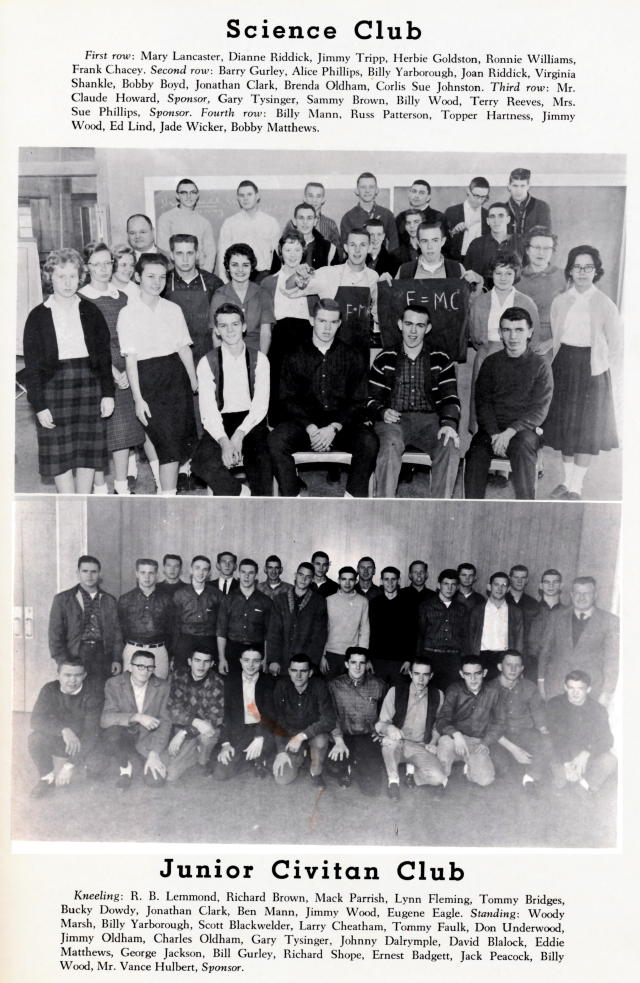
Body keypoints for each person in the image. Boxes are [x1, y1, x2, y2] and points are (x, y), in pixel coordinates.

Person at [22, 247, 115, 493]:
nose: (67, 282)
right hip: (54, 388)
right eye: (61, 276)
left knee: (88, 450)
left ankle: (83, 500)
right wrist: (39, 405)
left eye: (72, 276)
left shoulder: (91, 311)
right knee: (58, 452)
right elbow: (32, 367)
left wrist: (108, 393)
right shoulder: (37, 316)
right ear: (49, 278)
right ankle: (68, 502)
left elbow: (104, 357)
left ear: (81, 277)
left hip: (89, 385)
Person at [269, 299, 378, 498]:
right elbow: (286, 399)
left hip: (340, 426)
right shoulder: (294, 354)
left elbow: (358, 401)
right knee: (276, 439)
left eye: (333, 322)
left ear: (339, 323)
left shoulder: (352, 355)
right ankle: (293, 499)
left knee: (369, 441)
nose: (327, 328)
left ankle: (353, 501)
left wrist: (334, 427)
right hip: (305, 426)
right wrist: (310, 427)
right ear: (312, 320)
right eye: (322, 321)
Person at [116, 253, 197, 495]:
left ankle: (166, 493)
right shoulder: (128, 313)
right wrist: (138, 399)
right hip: (147, 379)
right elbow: (131, 359)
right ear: (138, 277)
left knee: (173, 443)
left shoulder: (173, 309)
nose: (157, 282)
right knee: (166, 443)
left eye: (162, 277)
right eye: (150, 276)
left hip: (176, 377)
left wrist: (193, 381)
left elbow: (184, 348)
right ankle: (169, 498)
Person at [544, 245, 621, 501]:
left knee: (586, 429)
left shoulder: (605, 304)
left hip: (592, 371)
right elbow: (557, 335)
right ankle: (566, 482)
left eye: (588, 267)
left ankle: (577, 487)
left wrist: (599, 366)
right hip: (564, 366)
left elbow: (615, 345)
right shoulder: (560, 301)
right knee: (566, 426)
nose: (582, 272)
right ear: (570, 270)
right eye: (577, 267)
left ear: (596, 271)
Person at [367, 303, 461, 498]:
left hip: (430, 421)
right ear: (400, 324)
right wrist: (382, 411)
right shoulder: (384, 358)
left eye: (420, 325)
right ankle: (384, 508)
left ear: (428, 328)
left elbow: (450, 397)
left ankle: (440, 509)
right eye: (409, 324)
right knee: (390, 446)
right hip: (394, 422)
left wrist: (449, 424)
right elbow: (369, 398)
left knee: (450, 445)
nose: (413, 331)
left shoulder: (440, 358)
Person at [464, 306, 553, 500]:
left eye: (519, 330)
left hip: (524, 431)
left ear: (530, 332)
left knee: (522, 449)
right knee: (475, 454)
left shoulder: (540, 365)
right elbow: (483, 403)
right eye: (507, 330)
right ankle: (471, 509)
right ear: (500, 333)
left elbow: (539, 410)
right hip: (493, 430)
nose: (513, 336)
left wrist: (510, 432)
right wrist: (495, 433)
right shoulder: (490, 363)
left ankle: (525, 510)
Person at [80, 241, 145, 496]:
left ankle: (121, 484)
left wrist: (128, 369)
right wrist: (112, 373)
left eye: (108, 262)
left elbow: (132, 336)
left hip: (125, 366)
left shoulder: (123, 297)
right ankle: (99, 486)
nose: (104, 269)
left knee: (123, 429)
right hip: (96, 369)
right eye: (97, 264)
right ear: (87, 267)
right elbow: (89, 344)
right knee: (100, 431)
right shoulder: (82, 299)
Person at [191, 303, 272, 497]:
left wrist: (239, 434)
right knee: (201, 462)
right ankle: (240, 493)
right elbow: (208, 410)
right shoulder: (207, 362)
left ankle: (261, 507)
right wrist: (224, 441)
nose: (230, 330)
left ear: (244, 326)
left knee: (261, 461)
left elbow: (260, 406)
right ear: (217, 331)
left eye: (235, 324)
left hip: (251, 421)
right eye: (223, 326)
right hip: (220, 420)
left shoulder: (260, 359)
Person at [467, 252, 540, 431]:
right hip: (486, 356)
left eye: (508, 273)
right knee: (484, 406)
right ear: (491, 274)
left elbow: (534, 339)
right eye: (498, 273)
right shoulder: (480, 302)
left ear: (516, 274)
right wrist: (489, 349)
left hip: (516, 358)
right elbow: (475, 337)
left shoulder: (526, 302)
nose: (503, 278)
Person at [280, 229, 381, 356]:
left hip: (361, 351)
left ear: (370, 248)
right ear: (346, 247)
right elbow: (288, 290)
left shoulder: (373, 277)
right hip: (331, 352)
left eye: (362, 245)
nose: (357, 250)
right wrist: (298, 275)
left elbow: (378, 313)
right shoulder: (328, 274)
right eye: (352, 245)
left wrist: (387, 287)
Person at [28, 658, 105, 798]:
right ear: (58, 674)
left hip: (84, 741)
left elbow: (91, 733)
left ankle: (81, 763)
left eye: (78, 675)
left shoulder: (93, 694)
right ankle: (47, 777)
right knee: (35, 739)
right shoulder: (49, 689)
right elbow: (36, 720)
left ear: (85, 675)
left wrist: (69, 765)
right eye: (67, 675)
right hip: (61, 739)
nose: (72, 680)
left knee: (97, 766)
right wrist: (64, 730)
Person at [538, 576, 619, 705]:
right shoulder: (556, 616)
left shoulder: (610, 621)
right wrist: (541, 681)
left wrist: (607, 692)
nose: (581, 597)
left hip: (590, 689)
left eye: (587, 593)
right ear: (571, 595)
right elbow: (545, 650)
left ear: (595, 595)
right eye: (577, 593)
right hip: (556, 686)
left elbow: (612, 660)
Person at [261, 231, 314, 422]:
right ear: (280, 252)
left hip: (306, 340)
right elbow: (266, 323)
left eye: (297, 250)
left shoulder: (313, 278)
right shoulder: (268, 282)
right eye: (288, 250)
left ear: (304, 251)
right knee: (278, 386)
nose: (292, 255)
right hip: (280, 340)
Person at [375, 658, 447, 799]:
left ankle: (412, 773)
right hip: (399, 743)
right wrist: (389, 729)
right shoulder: (395, 691)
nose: (420, 679)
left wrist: (433, 743)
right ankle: (393, 781)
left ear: (431, 676)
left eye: (425, 675)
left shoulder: (438, 695)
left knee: (438, 778)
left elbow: (438, 725)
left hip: (421, 745)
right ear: (410, 674)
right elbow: (381, 723)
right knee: (388, 743)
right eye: (417, 674)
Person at [100, 650, 171, 789]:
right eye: (140, 666)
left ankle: (139, 757)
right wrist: (137, 717)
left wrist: (154, 753)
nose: (145, 671)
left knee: (155, 781)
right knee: (99, 758)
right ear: (130, 666)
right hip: (123, 734)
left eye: (150, 667)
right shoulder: (113, 683)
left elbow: (166, 721)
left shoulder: (163, 686)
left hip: (147, 737)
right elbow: (105, 719)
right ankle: (125, 766)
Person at [49, 555, 122, 682]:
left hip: (103, 656)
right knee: (77, 690)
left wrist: (116, 659)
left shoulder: (109, 600)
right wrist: (63, 661)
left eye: (94, 571)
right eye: (85, 571)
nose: (89, 575)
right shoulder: (63, 599)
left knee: (101, 690)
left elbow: (117, 633)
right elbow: (55, 634)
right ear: (78, 573)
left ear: (99, 574)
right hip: (75, 654)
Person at [488, 651, 552, 792]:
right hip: (500, 738)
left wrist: (543, 731)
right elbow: (486, 725)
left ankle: (530, 777)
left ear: (522, 668)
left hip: (524, 733)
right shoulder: (488, 689)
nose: (513, 669)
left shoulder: (529, 687)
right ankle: (513, 763)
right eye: (508, 665)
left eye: (517, 666)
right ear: (500, 667)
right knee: (501, 767)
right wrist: (514, 750)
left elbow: (539, 713)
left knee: (547, 742)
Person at [435, 655, 503, 787]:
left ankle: (468, 765)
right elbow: (442, 720)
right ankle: (444, 774)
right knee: (445, 743)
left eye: (477, 674)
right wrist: (456, 734)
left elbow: (500, 722)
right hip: (455, 739)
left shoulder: (493, 692)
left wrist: (486, 741)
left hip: (477, 742)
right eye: (468, 674)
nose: (473, 679)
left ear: (484, 673)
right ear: (461, 674)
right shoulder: (454, 690)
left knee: (486, 780)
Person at [546, 670, 617, 795]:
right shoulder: (554, 704)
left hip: (585, 754)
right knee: (559, 782)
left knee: (610, 760)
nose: (575, 693)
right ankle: (563, 781)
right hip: (561, 752)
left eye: (580, 689)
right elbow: (555, 737)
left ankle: (584, 785)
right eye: (571, 688)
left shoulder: (598, 709)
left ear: (588, 689)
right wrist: (567, 763)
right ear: (565, 687)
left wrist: (586, 753)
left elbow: (607, 739)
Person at [327, 647, 386, 794]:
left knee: (371, 789)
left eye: (362, 663)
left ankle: (357, 762)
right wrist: (338, 739)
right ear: (347, 664)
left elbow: (387, 711)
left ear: (367, 664)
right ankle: (347, 765)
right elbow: (330, 714)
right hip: (343, 735)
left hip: (367, 735)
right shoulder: (334, 685)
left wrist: (382, 731)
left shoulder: (378, 685)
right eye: (353, 662)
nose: (358, 667)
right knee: (334, 767)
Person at [272, 654, 335, 787]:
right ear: (289, 671)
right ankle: (303, 756)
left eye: (303, 671)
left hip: (313, 734)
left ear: (310, 673)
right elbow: (278, 720)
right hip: (291, 735)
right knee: (282, 779)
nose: (298, 675)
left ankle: (315, 771)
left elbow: (329, 719)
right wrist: (281, 751)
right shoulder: (282, 685)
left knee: (320, 741)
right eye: (294, 671)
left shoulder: (319, 685)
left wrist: (301, 736)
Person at [214, 648, 276, 780]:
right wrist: (225, 744)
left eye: (256, 661)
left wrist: (259, 736)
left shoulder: (269, 681)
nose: (251, 665)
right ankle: (253, 761)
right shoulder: (231, 681)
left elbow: (270, 713)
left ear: (261, 663)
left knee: (270, 748)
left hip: (262, 728)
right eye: (246, 660)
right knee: (221, 774)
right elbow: (225, 714)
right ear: (241, 661)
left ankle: (261, 756)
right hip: (240, 731)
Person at [165, 649, 224, 781]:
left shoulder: (217, 682)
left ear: (212, 664)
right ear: (189, 661)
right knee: (171, 775)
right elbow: (173, 708)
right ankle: (192, 752)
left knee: (207, 737)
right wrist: (194, 723)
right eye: (197, 660)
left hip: (205, 730)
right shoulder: (178, 676)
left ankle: (203, 759)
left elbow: (215, 718)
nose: (201, 666)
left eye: (206, 662)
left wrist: (184, 733)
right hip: (184, 726)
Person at [164, 233, 223, 365]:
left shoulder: (213, 283)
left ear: (197, 254)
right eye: (179, 253)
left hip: (207, 353)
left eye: (190, 253)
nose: (185, 259)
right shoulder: (163, 282)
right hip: (173, 356)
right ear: (171, 255)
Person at [210, 243, 275, 354]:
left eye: (245, 265)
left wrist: (261, 360)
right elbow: (216, 335)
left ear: (251, 267)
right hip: (228, 354)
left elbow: (265, 333)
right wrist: (221, 360)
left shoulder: (263, 294)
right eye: (235, 265)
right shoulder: (219, 295)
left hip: (256, 353)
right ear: (228, 267)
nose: (240, 270)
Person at [117, 558, 175, 678]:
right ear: (136, 574)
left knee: (159, 686)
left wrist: (171, 654)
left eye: (151, 573)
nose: (147, 577)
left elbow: (172, 629)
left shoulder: (167, 599)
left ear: (156, 575)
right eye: (143, 572)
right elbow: (120, 630)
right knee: (130, 686)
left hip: (158, 650)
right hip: (133, 649)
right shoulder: (125, 599)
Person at [266, 562, 328, 674]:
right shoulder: (280, 599)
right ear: (295, 575)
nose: (303, 579)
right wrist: (273, 660)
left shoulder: (318, 602)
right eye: (301, 575)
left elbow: (318, 637)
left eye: (308, 577)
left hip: (305, 662)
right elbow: (274, 632)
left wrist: (310, 664)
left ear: (312, 579)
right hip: (281, 661)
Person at [216, 558, 272, 673]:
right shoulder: (228, 599)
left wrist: (266, 658)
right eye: (243, 572)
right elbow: (221, 632)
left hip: (257, 650)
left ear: (256, 575)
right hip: (233, 650)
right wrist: (222, 658)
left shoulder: (265, 601)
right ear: (238, 574)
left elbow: (269, 634)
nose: (246, 576)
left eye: (250, 573)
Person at [516, 227, 565, 359]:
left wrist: (551, 343)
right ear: (527, 250)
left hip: (555, 344)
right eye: (536, 247)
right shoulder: (515, 278)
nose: (541, 252)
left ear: (552, 251)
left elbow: (574, 318)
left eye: (547, 248)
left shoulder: (564, 277)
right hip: (520, 343)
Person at [416, 569, 469, 691]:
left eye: (453, 584)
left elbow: (465, 636)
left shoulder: (462, 609)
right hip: (430, 656)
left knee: (451, 691)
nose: (449, 588)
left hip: (453, 659)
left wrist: (463, 660)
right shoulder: (426, 606)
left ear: (457, 587)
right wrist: (418, 659)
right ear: (438, 585)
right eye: (446, 584)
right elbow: (420, 634)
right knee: (430, 692)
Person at [216, 180, 280, 280]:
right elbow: (222, 255)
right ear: (238, 198)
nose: (245, 198)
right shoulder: (229, 223)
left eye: (249, 194)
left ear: (257, 196)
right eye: (242, 195)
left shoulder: (271, 222)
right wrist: (224, 281)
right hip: (238, 275)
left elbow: (279, 255)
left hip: (264, 276)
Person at [467, 571, 524, 678]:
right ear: (489, 587)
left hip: (505, 658)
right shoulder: (477, 610)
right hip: (482, 657)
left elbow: (519, 641)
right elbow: (470, 637)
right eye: (496, 584)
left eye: (504, 585)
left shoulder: (515, 612)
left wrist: (517, 662)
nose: (500, 588)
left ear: (508, 589)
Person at [172, 555, 222, 670]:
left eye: (205, 569)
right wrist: (173, 652)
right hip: (185, 641)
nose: (201, 572)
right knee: (182, 674)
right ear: (191, 570)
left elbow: (220, 624)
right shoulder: (180, 594)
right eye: (197, 568)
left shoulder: (216, 594)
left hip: (208, 640)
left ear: (209, 573)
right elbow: (175, 624)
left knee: (208, 674)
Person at [156, 178, 216, 273]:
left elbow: (210, 252)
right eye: (184, 193)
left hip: (199, 272)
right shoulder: (166, 218)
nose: (189, 196)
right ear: (177, 196)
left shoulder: (204, 222)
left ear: (197, 195)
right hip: (175, 272)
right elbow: (165, 251)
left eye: (192, 192)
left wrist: (205, 274)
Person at [368, 566, 413, 686]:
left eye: (393, 579)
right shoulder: (374, 604)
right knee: (378, 693)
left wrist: (409, 659)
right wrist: (368, 659)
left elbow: (412, 633)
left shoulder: (408, 604)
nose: (390, 582)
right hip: (377, 660)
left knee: (398, 694)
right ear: (381, 581)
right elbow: (368, 633)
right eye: (386, 579)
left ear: (398, 581)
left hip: (400, 661)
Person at [323, 567, 370, 678]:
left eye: (351, 580)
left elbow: (365, 631)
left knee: (351, 686)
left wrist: (363, 657)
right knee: (331, 686)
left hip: (353, 655)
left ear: (356, 581)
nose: (347, 583)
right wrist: (322, 656)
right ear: (339, 580)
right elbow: (323, 630)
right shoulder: (329, 600)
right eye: (344, 579)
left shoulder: (363, 601)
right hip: (331, 653)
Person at [340, 172, 398, 252]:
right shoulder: (348, 217)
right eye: (363, 187)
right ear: (356, 190)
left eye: (371, 187)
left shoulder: (387, 214)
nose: (367, 191)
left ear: (377, 190)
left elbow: (394, 244)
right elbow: (346, 247)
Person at [464, 202, 518, 286]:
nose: (496, 221)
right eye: (492, 216)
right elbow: (468, 274)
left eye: (501, 216)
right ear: (487, 221)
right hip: (483, 292)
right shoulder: (476, 244)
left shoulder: (520, 243)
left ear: (508, 219)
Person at [527, 568, 566, 678]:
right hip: (532, 666)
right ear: (541, 586)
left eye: (555, 582)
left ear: (561, 586)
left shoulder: (567, 612)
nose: (551, 585)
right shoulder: (530, 610)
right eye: (547, 582)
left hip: (558, 666)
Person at [443, 177, 491, 263]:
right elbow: (441, 239)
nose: (479, 200)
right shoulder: (451, 212)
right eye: (476, 196)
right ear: (468, 191)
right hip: (456, 260)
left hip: (480, 261)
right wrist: (453, 232)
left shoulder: (488, 214)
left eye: (484, 197)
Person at [505, 168, 552, 246]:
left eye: (522, 186)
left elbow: (545, 237)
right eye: (515, 186)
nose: (519, 190)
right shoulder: (502, 208)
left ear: (528, 186)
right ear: (509, 186)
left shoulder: (542, 207)